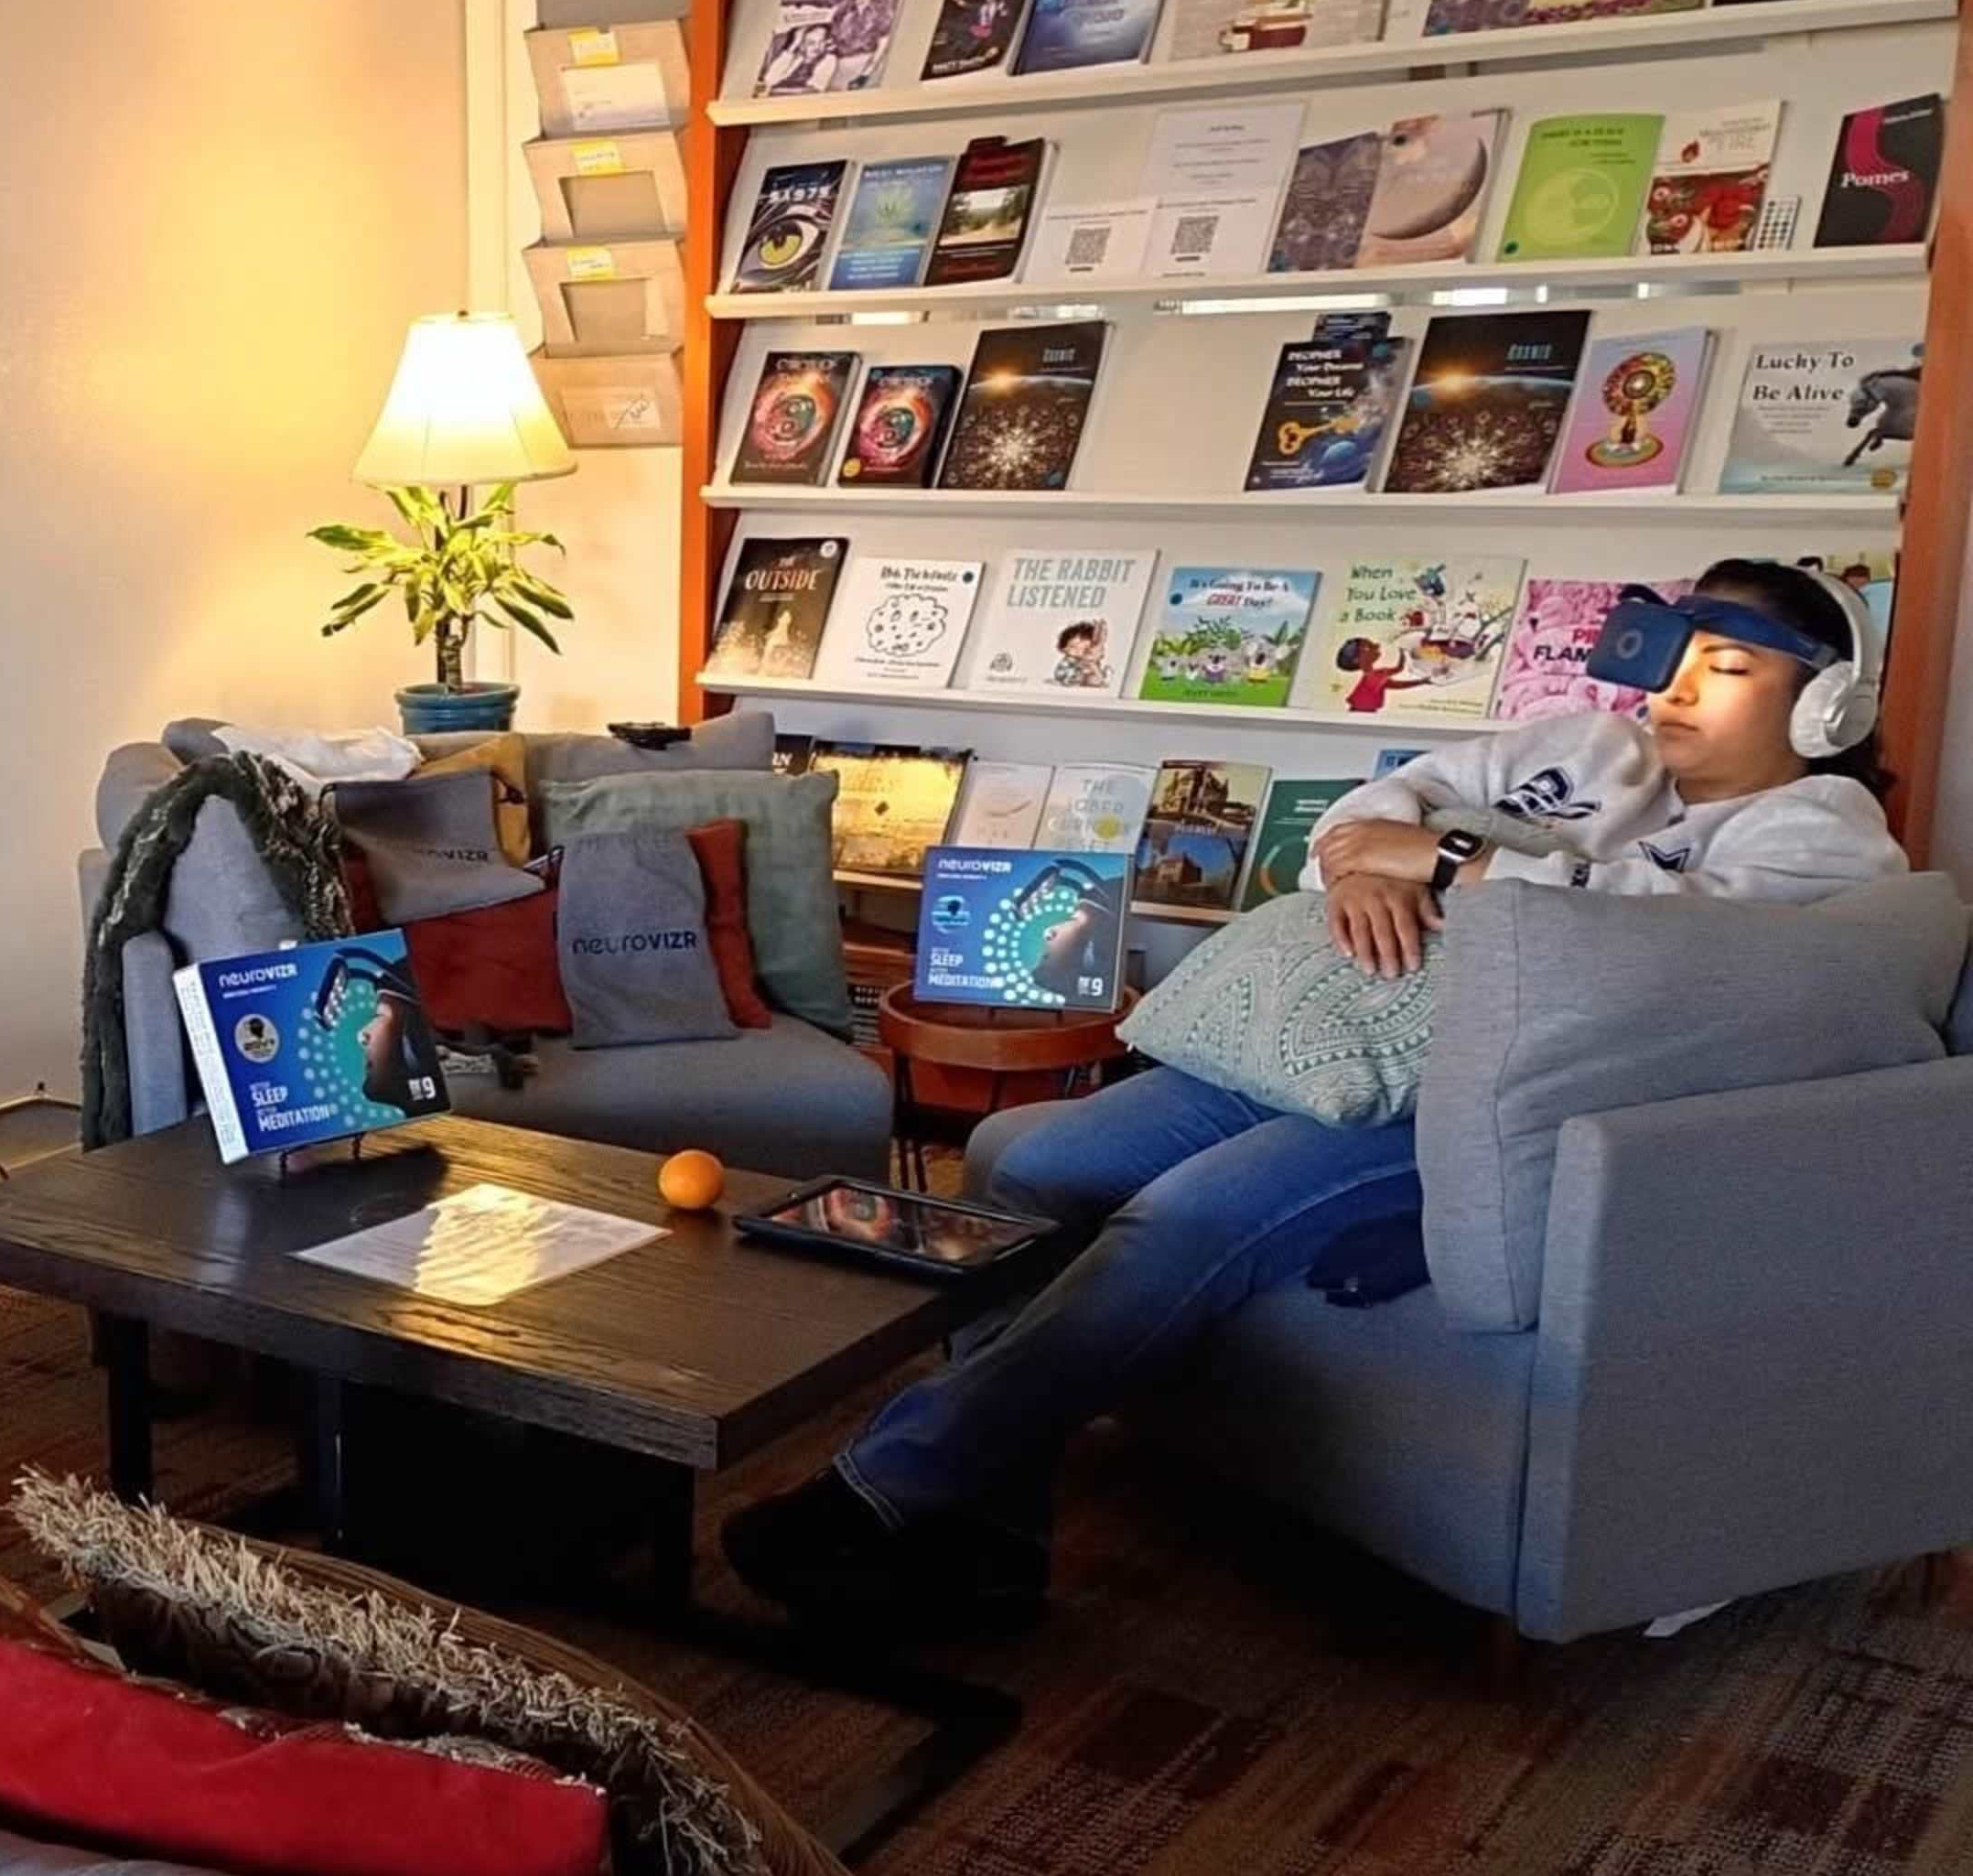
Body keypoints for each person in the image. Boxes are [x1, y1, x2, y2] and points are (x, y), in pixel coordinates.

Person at [724, 558, 1909, 1628]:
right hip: (1336, 1039)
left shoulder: (1825, 833)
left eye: (1730, 668)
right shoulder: (1587, 751)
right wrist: (1364, 877)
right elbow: (1361, 813)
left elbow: (1651, 949)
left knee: (1177, 1223)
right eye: (1675, 659)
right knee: (1040, 1166)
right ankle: (990, 1543)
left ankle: (887, 1486)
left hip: (1480, 1107)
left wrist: (1448, 858)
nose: (1679, 692)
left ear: (1823, 707)